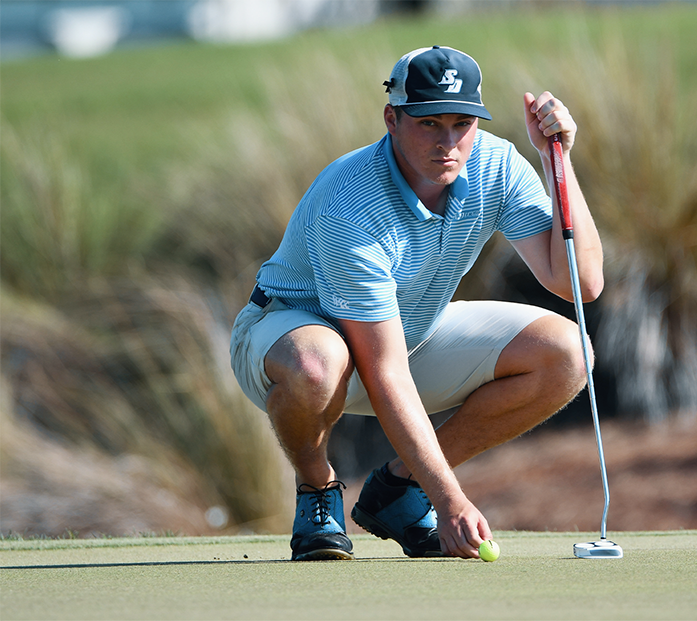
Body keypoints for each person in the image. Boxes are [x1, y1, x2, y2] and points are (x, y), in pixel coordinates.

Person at [230, 45, 603, 561]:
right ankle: (318, 491)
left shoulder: (496, 165)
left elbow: (580, 284)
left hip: (406, 335)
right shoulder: (351, 201)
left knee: (568, 352)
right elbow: (383, 372)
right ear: (392, 118)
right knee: (319, 362)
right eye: (430, 124)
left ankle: (399, 489)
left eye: (462, 124)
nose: (448, 143)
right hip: (285, 337)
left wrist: (555, 159)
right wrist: (451, 500)